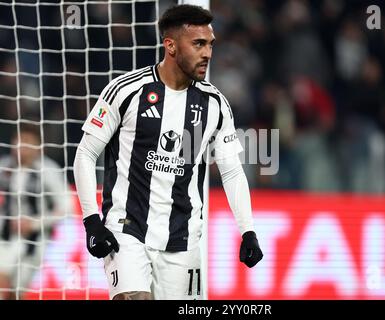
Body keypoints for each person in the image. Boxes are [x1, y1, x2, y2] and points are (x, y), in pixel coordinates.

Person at [73, 4, 263, 300]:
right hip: (127, 229)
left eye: (210, 44)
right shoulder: (125, 91)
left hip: (184, 239)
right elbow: (85, 153)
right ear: (171, 46)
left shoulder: (215, 104)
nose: (207, 54)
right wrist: (91, 221)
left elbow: (231, 170)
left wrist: (248, 231)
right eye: (198, 44)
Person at [0, 124, 69, 300]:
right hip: (6, 238)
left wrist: (33, 223)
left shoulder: (48, 170)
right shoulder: (5, 167)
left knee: (17, 292)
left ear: (38, 147)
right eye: (18, 140)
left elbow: (67, 207)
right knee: (2, 281)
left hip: (35, 241)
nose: (20, 146)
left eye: (27, 141)